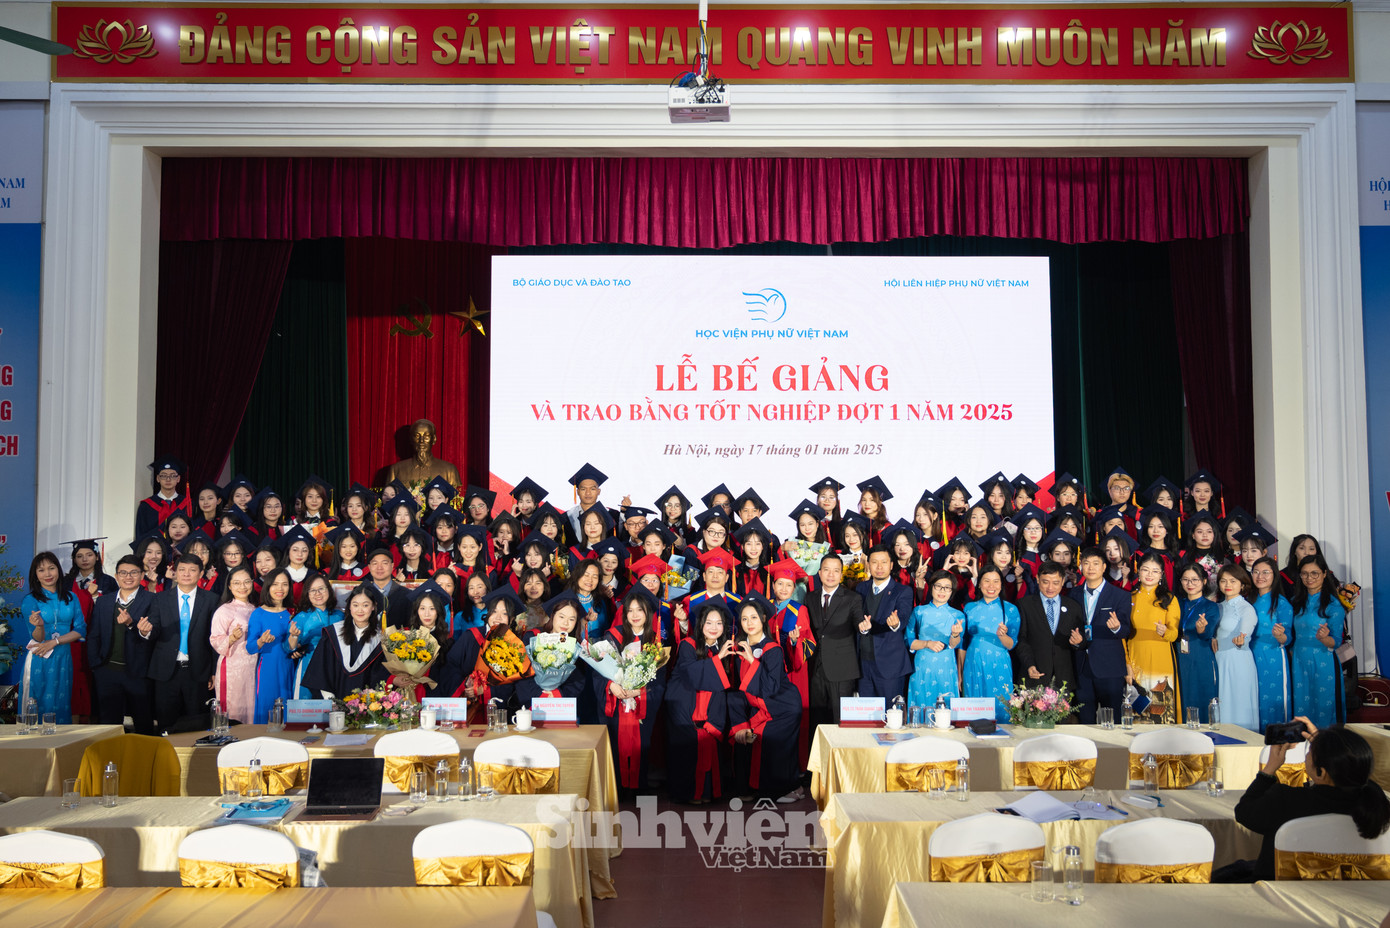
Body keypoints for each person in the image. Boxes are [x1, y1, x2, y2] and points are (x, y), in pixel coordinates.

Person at [1223, 720, 1390, 882]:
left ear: (1321, 772)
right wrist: (1324, 742)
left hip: (1282, 888)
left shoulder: (1286, 800)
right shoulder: (1377, 803)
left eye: (1310, 752)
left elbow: (1244, 812)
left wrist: (1270, 767)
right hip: (1354, 891)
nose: (1306, 755)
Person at [727, 596, 803, 803]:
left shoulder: (773, 649)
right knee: (742, 736)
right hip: (758, 707)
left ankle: (792, 787)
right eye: (744, 619)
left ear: (762, 618)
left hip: (782, 707)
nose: (749, 623)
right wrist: (740, 723)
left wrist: (752, 661)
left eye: (753, 617)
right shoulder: (737, 648)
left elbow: (770, 688)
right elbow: (737, 688)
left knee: (769, 740)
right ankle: (749, 788)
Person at [666, 599, 735, 804]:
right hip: (686, 705)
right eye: (709, 622)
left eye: (719, 623)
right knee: (688, 749)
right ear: (701, 624)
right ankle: (688, 793)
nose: (714, 628)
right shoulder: (688, 644)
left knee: (709, 742)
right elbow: (690, 672)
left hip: (711, 709)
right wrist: (717, 659)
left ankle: (707, 792)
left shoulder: (725, 648)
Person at [141, 553, 219, 730]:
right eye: (182, 569)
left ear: (201, 574)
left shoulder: (212, 600)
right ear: (175, 572)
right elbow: (154, 630)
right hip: (166, 671)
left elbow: (214, 638)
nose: (186, 574)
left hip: (198, 670)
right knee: (166, 723)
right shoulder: (160, 599)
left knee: (197, 723)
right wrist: (145, 631)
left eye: (192, 570)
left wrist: (214, 671)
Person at [602, 588, 668, 793]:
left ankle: (640, 788)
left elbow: (660, 677)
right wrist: (611, 685)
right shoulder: (613, 636)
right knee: (616, 744)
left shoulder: (656, 640)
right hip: (617, 701)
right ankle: (618, 790)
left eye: (640, 610)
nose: (635, 615)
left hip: (642, 704)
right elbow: (600, 669)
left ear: (648, 613)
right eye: (630, 610)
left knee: (642, 743)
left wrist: (640, 691)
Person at [86, 555, 156, 734]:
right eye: (123, 573)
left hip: (139, 673)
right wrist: (96, 665)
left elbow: (155, 635)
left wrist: (133, 624)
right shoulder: (104, 601)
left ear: (142, 575)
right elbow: (94, 635)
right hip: (107, 671)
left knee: (143, 724)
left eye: (134, 572)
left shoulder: (153, 600)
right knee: (109, 726)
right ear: (116, 576)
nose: (128, 577)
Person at [1069, 547, 1132, 723]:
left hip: (1109, 666)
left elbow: (1126, 630)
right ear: (1081, 567)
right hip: (1082, 667)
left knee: (1111, 721)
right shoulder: (1073, 594)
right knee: (1084, 720)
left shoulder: (1120, 595)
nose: (1091, 567)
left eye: (1096, 563)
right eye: (1086, 563)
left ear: (1104, 567)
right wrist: (1076, 641)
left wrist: (1116, 628)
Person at [301, 584, 390, 698]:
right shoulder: (333, 634)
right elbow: (320, 672)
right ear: (349, 607)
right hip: (333, 703)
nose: (360, 610)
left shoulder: (380, 639)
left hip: (367, 704)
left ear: (373, 606)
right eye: (355, 605)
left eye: (365, 605)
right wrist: (331, 702)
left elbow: (381, 677)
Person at [806, 553, 863, 727]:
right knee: (817, 721)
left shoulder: (852, 598)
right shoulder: (810, 597)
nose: (831, 575)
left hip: (842, 669)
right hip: (816, 668)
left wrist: (864, 628)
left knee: (841, 721)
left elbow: (859, 623)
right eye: (826, 570)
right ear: (819, 573)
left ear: (841, 574)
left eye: (836, 571)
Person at [1290, 554, 1346, 728]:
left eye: (1314, 573)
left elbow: (1336, 642)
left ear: (1324, 574)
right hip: (1299, 662)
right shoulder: (1295, 602)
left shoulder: (1334, 605)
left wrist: (1324, 638)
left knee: (1324, 707)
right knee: (1301, 708)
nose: (1309, 578)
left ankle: (1325, 744)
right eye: (1304, 573)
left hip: (1323, 662)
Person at [1012, 560, 1083, 696]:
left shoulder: (1073, 606)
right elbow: (1021, 639)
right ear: (1038, 579)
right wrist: (1029, 665)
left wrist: (1078, 642)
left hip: (1063, 679)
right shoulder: (1025, 605)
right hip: (1034, 676)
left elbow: (1082, 640)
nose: (1050, 587)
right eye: (1045, 582)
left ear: (1063, 581)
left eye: (1055, 583)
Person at [1126, 553, 1181, 724]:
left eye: (1155, 571)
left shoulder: (1169, 599)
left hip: (1160, 659)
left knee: (1161, 710)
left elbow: (1174, 634)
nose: (1150, 575)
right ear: (1138, 572)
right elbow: (1122, 636)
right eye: (1145, 570)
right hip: (1135, 659)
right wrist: (1126, 663)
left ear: (1161, 574)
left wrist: (1165, 631)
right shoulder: (1129, 598)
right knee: (1138, 711)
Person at [961, 565, 1020, 722]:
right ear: (979, 583)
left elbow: (1011, 644)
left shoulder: (1010, 609)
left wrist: (1002, 636)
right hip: (973, 664)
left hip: (999, 664)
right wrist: (959, 673)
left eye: (996, 581)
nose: (991, 586)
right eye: (987, 581)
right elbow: (963, 644)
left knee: (1000, 708)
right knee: (973, 711)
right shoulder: (969, 608)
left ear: (1001, 584)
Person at [855, 547, 914, 701]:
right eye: (874, 562)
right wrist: (861, 628)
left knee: (891, 712)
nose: (879, 567)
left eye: (884, 562)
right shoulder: (861, 588)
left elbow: (903, 618)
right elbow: (855, 617)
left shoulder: (902, 591)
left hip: (890, 666)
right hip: (863, 665)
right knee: (866, 712)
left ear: (891, 565)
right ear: (868, 565)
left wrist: (895, 624)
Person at [905, 570, 965, 710]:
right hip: (922, 666)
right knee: (919, 708)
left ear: (952, 591)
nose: (942, 591)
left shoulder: (958, 615)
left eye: (947, 587)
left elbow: (955, 644)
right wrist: (927, 643)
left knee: (945, 710)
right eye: (938, 586)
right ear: (931, 587)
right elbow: (908, 641)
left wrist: (955, 635)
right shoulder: (919, 611)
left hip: (946, 667)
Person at [1212, 564, 1260, 731]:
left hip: (1237, 660)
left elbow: (1245, 631)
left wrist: (1241, 639)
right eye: (1223, 581)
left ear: (1242, 584)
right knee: (1222, 705)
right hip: (1219, 660)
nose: (1228, 585)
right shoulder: (1218, 606)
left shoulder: (1245, 608)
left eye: (1233, 581)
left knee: (1238, 705)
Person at [245, 568, 296, 724]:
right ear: (267, 586)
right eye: (275, 584)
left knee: (288, 709)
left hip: (289, 667)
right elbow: (250, 647)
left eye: (284, 584)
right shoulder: (258, 613)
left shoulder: (292, 612)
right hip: (267, 668)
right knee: (267, 709)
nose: (280, 589)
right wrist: (261, 640)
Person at [209, 565, 259, 724]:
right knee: (234, 709)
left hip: (253, 666)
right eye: (237, 583)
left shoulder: (256, 609)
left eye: (246, 582)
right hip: (232, 667)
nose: (242, 587)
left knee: (252, 706)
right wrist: (231, 639)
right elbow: (215, 639)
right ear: (229, 586)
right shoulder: (224, 610)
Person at [1250, 556, 1293, 731]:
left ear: (1274, 575)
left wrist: (1280, 636)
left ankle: (1277, 742)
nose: (1260, 576)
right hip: (1250, 656)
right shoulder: (1248, 600)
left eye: (1265, 572)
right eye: (1256, 572)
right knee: (1255, 700)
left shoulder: (1281, 603)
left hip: (1272, 655)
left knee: (1272, 700)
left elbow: (1288, 637)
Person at [1175, 564, 1220, 725]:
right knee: (1181, 697)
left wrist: (1202, 630)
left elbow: (1209, 634)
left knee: (1201, 697)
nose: (1190, 584)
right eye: (1185, 580)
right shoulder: (1176, 603)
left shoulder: (1211, 606)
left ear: (1204, 581)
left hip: (1201, 657)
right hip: (1179, 657)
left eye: (1195, 580)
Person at [289, 574, 339, 699]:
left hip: (334, 666)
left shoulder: (340, 616)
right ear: (307, 594)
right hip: (308, 666)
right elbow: (288, 648)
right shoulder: (301, 617)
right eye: (312, 590)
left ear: (329, 590)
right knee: (305, 707)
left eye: (321, 588)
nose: (318, 593)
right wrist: (294, 637)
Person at [382, 418, 463, 486]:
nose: (421, 441)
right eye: (417, 436)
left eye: (426, 436)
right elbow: (388, 498)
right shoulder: (396, 470)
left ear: (434, 439)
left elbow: (457, 499)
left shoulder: (449, 470)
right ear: (411, 439)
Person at [135, 455, 191, 539]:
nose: (168, 479)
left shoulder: (188, 504)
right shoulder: (146, 506)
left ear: (178, 479)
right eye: (164, 476)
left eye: (172, 476)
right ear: (158, 478)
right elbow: (140, 535)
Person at [565, 463, 609, 540]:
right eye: (583, 489)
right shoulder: (568, 516)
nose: (588, 493)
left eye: (592, 489)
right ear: (578, 492)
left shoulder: (611, 515)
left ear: (598, 491)